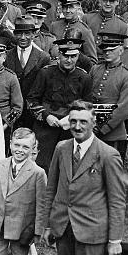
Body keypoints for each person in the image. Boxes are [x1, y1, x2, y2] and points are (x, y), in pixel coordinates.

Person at [41, 100, 126, 255]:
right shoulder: (61, 148)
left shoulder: (108, 155)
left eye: (83, 122)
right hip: (64, 227)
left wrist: (114, 240)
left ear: (93, 123)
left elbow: (117, 201)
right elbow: (51, 189)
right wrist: (48, 225)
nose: (77, 126)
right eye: (74, 121)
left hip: (93, 232)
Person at [26, 38, 93, 171]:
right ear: (59, 55)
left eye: (73, 56)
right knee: (41, 166)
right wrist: (46, 116)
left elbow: (87, 106)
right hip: (45, 128)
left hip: (71, 130)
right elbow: (31, 100)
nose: (69, 60)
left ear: (78, 56)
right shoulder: (45, 73)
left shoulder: (84, 77)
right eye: (65, 56)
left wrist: (71, 119)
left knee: (67, 167)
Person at [89, 32, 128, 162]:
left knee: (111, 173)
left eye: (112, 50)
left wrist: (101, 128)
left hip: (112, 134)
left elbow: (124, 109)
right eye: (105, 49)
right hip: (90, 130)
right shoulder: (95, 70)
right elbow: (87, 97)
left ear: (121, 50)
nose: (107, 52)